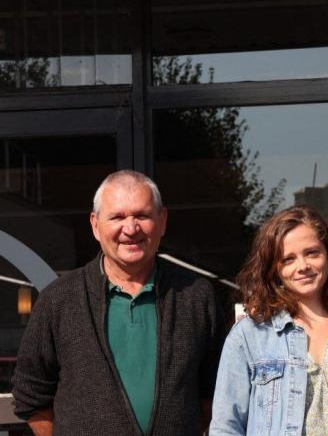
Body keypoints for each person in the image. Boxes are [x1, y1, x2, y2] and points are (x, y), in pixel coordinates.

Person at [12, 170, 224, 436]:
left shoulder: (196, 296)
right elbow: (31, 394)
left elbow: (214, 392)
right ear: (95, 224)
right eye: (118, 217)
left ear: (162, 221)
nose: (131, 228)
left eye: (142, 215)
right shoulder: (59, 300)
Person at [210, 205, 328, 436]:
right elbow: (226, 426)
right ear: (274, 270)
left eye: (312, 252)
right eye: (288, 259)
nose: (302, 266)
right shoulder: (250, 334)